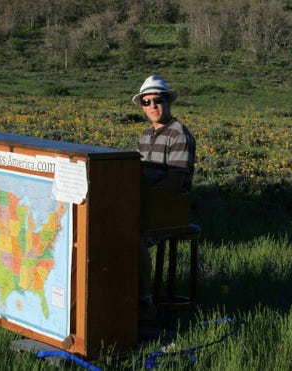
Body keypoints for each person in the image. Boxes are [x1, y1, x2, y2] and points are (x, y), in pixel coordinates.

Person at [132, 74, 196, 315]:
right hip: (148, 206)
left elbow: (175, 181)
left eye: (157, 100)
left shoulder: (178, 134)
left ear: (168, 101)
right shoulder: (146, 136)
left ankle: (145, 301)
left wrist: (145, 197)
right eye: (146, 102)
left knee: (134, 237)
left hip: (169, 211)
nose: (152, 106)